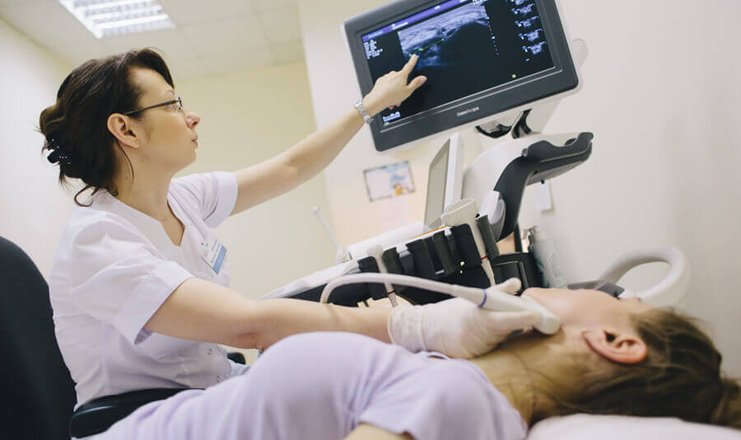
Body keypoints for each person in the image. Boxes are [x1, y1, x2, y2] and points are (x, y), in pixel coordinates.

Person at [39, 48, 543, 423]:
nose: (191, 116)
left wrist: (369, 107)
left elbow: (291, 168)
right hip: (146, 419)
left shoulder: (184, 198)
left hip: (211, 393)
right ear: (126, 130)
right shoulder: (98, 242)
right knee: (350, 376)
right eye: (172, 105)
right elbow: (248, 327)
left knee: (363, 369)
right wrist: (418, 324)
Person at [89, 287, 741, 439]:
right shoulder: (460, 381)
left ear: (613, 341)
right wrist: (415, 328)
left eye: (614, 299)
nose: (579, 286)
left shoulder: (459, 402)